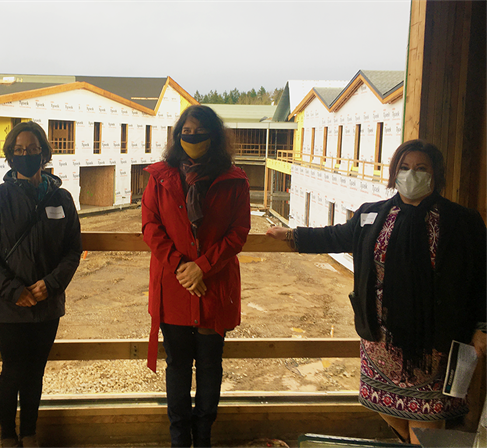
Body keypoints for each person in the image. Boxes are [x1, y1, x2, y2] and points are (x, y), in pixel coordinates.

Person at [267, 139, 487, 444]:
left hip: (435, 343)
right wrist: (291, 235)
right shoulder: (373, 214)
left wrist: (482, 327)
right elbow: (336, 236)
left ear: (435, 174)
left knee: (428, 423)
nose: (412, 174)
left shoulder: (461, 221)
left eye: (421, 168)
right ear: (394, 173)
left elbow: (482, 275)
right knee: (385, 407)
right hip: (381, 340)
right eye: (405, 167)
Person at [141, 105, 250, 448]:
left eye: (199, 132)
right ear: (176, 136)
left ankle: (203, 438)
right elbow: (150, 226)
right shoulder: (159, 176)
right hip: (174, 286)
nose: (191, 138)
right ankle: (179, 441)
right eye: (185, 132)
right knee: (176, 367)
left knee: (208, 367)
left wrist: (202, 265)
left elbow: (239, 231)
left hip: (213, 284)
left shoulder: (234, 179)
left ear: (214, 137)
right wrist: (181, 266)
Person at [0, 121, 82, 448]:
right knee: (14, 370)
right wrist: (12, 290)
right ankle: (8, 436)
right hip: (8, 306)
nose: (26, 155)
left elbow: (72, 250)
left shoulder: (61, 199)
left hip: (47, 304)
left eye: (32, 149)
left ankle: (30, 434)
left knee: (36, 372)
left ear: (44, 153)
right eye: (19, 150)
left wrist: (51, 284)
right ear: (10, 156)